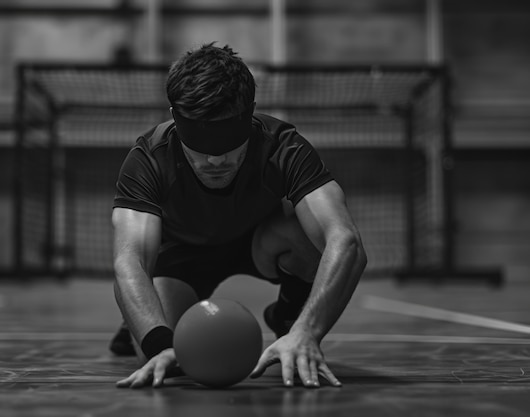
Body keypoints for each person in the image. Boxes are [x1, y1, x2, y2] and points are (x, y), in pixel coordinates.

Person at [112, 43, 367, 389]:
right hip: (181, 258)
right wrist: (158, 345)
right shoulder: (148, 158)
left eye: (229, 144)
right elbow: (130, 262)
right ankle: (138, 324)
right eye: (200, 147)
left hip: (258, 240)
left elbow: (346, 241)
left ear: (250, 115)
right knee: (167, 357)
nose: (215, 160)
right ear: (176, 118)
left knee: (306, 237)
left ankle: (289, 318)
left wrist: (308, 331)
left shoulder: (283, 146)